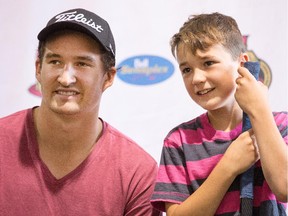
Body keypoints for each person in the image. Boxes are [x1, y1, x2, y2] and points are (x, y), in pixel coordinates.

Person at [0, 8, 161, 216]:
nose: (66, 78)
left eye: (82, 64)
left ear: (108, 77)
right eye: (55, 61)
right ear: (38, 69)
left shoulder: (137, 172)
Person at [151, 12, 287, 215]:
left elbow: (284, 187)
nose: (196, 78)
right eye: (186, 69)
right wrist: (229, 166)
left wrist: (260, 111)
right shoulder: (178, 141)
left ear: (243, 64)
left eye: (208, 63)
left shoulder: (279, 124)